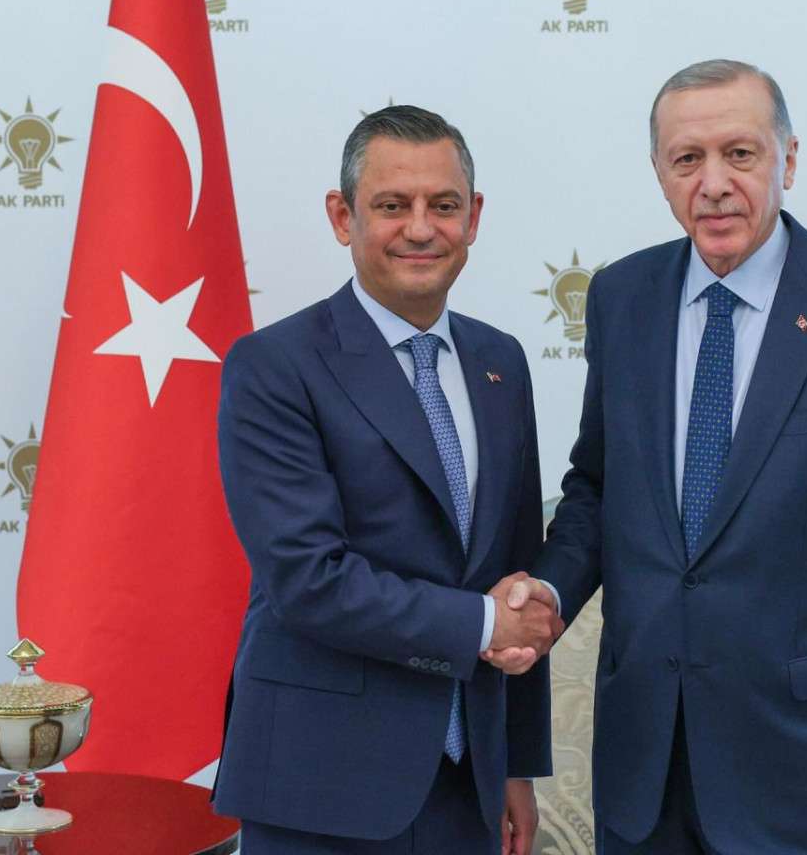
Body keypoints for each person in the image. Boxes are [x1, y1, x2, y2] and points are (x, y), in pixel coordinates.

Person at [488, 61, 807, 855]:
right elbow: (599, 488)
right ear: (659, 173)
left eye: (740, 154)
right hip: (647, 764)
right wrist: (549, 589)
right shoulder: (621, 298)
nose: (713, 184)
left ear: (789, 159)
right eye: (687, 159)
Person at [214, 105, 559, 854]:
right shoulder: (274, 366)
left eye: (444, 205)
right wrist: (481, 626)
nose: (421, 228)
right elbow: (308, 579)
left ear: (474, 217)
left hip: (469, 784)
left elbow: (515, 572)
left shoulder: (500, 362)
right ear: (343, 217)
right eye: (392, 205)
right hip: (322, 786)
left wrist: (516, 762)